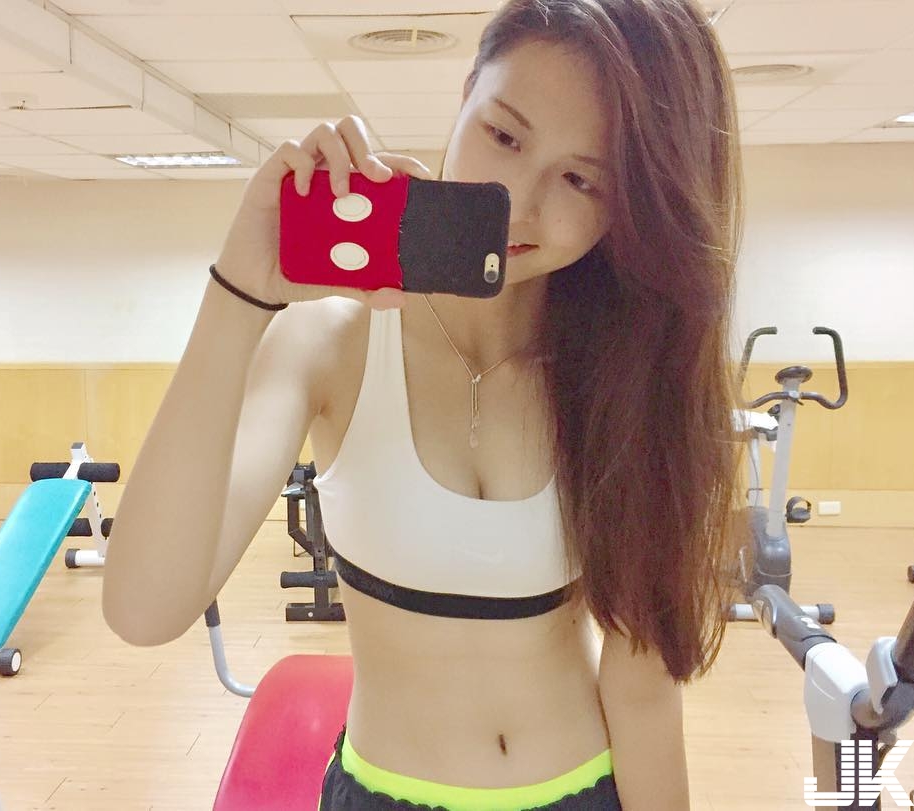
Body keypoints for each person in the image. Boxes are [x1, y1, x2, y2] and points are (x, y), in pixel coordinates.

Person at [103, 0, 744, 808]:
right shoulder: (333, 339)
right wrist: (240, 289)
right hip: (384, 790)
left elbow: (643, 687)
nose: (518, 201)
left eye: (581, 179)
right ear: (466, 91)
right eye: (504, 135)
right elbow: (144, 609)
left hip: (582, 787)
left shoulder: (623, 373)